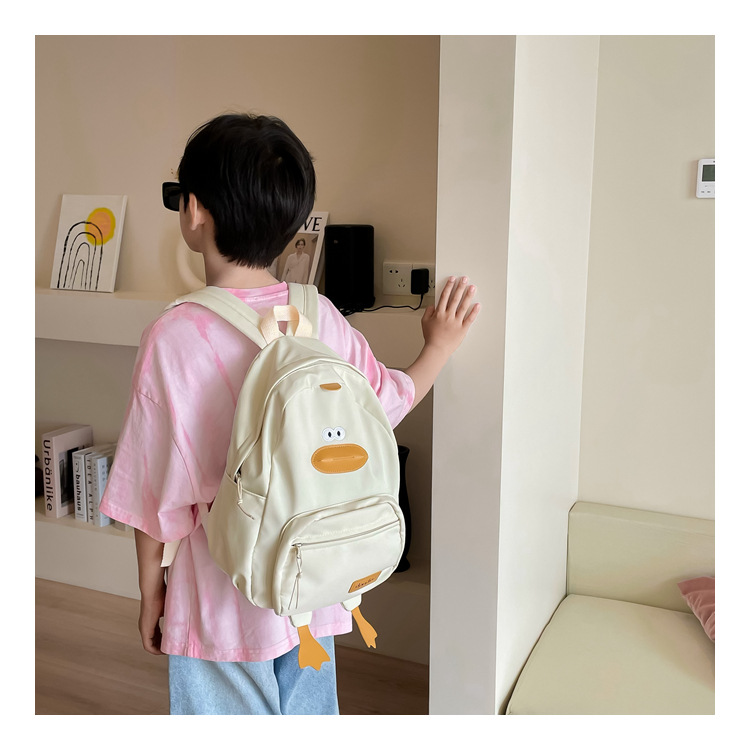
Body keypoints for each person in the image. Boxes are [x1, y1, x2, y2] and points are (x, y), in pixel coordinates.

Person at [99, 112, 479, 715]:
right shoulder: (319, 314)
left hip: (221, 593)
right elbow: (385, 407)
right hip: (312, 577)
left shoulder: (174, 336)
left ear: (194, 211)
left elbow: (154, 495)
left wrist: (152, 594)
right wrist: (439, 346)